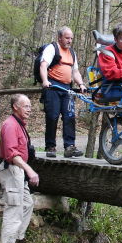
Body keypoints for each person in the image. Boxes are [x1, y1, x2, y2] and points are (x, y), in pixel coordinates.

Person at [0, 94, 39, 243]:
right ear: (15, 107)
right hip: (12, 170)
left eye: (30, 106)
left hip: (19, 171)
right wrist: (29, 170)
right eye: (26, 106)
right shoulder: (10, 125)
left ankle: (18, 238)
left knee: (27, 204)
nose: (29, 109)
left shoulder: (20, 124)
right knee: (14, 210)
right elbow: (12, 154)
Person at [39, 27, 86, 158]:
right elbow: (43, 65)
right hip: (53, 86)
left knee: (69, 117)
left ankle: (69, 146)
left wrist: (81, 84)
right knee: (52, 116)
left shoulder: (72, 52)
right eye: (67, 38)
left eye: (71, 38)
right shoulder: (52, 48)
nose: (69, 41)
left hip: (67, 88)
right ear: (60, 37)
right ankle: (50, 147)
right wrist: (45, 80)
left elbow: (75, 71)